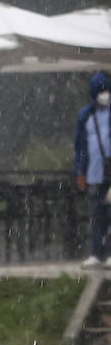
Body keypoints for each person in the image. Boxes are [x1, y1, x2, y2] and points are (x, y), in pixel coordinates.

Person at [74, 71, 111, 269]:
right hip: (95, 173)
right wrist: (80, 171)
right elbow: (80, 146)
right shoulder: (85, 116)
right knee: (97, 214)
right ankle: (97, 253)